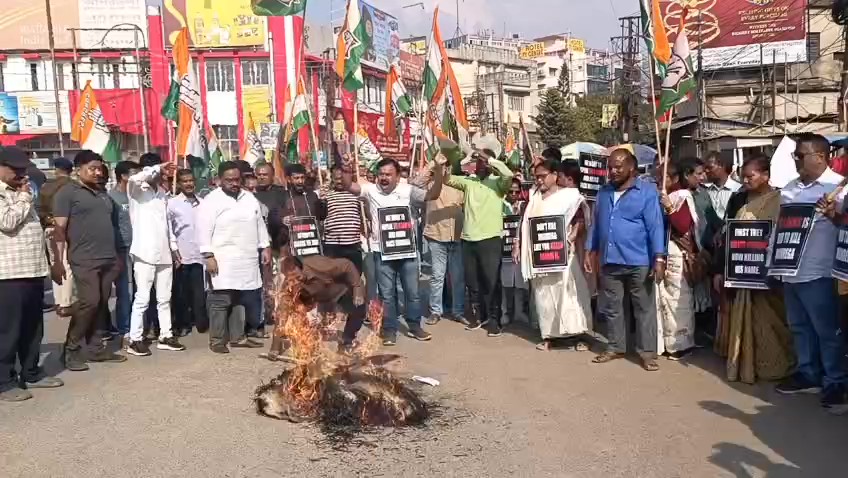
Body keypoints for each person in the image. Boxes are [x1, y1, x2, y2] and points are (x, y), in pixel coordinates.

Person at [712, 155, 795, 384]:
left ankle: (777, 364)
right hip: (741, 273)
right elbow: (726, 235)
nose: (746, 181)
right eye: (744, 176)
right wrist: (720, 270)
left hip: (770, 274)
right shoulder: (738, 199)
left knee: (773, 320)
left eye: (751, 176)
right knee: (746, 319)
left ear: (766, 175)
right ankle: (747, 364)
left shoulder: (781, 200)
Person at [781, 133, 848, 413]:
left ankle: (835, 381)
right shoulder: (788, 189)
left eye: (800, 155)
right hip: (789, 272)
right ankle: (808, 374)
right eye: (795, 155)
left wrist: (835, 215)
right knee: (799, 327)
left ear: (820, 157)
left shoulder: (839, 189)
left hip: (820, 272)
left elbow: (845, 230)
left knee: (827, 331)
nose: (796, 160)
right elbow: (780, 229)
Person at [586, 148, 666, 372]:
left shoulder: (647, 191)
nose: (612, 171)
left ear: (631, 167)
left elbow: (655, 227)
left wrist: (659, 258)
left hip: (639, 260)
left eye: (618, 166)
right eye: (610, 166)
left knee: (643, 308)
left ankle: (647, 353)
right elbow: (595, 225)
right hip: (610, 259)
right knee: (612, 307)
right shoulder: (603, 192)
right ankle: (615, 347)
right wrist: (589, 251)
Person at [348, 158, 444, 345]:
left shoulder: (408, 191)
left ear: (398, 176)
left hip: (407, 253)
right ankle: (389, 329)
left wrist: (439, 173)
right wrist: (344, 166)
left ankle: (415, 326)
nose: (383, 178)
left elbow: (431, 195)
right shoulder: (370, 189)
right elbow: (349, 187)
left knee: (413, 292)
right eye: (381, 174)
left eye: (388, 174)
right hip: (381, 252)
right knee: (387, 294)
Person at [52, 151, 128, 371]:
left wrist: (117, 258)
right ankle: (71, 349)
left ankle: (95, 349)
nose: (97, 172)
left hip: (109, 258)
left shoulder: (102, 193)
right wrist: (57, 261)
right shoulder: (67, 193)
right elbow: (59, 230)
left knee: (101, 304)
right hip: (84, 258)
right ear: (78, 169)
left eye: (99, 168)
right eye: (92, 168)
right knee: (90, 301)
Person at [0, 147, 63, 401]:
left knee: (33, 328)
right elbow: (7, 222)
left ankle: (31, 371)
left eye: (23, 169)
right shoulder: (11, 194)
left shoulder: (21, 191)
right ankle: (4, 381)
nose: (21, 174)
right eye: (15, 169)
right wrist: (25, 198)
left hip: (33, 269)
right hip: (8, 274)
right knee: (8, 330)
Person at [517, 159, 593, 351]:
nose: (539, 180)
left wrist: (571, 237)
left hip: (564, 255)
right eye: (536, 177)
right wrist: (518, 244)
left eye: (543, 176)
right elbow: (524, 223)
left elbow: (580, 220)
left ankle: (579, 336)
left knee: (570, 296)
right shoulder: (533, 197)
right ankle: (550, 336)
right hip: (540, 257)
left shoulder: (569, 196)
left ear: (554, 175)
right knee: (545, 297)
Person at [197, 161, 272, 354]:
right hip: (222, 258)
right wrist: (208, 255)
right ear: (220, 180)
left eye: (236, 179)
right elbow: (203, 230)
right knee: (220, 300)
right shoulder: (211, 201)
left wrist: (265, 246)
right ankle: (217, 340)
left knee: (240, 297)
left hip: (246, 257)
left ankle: (238, 337)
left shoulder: (249, 198)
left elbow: (259, 224)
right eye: (229, 180)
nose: (234, 183)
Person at [444, 138, 515, 336]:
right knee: (473, 283)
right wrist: (448, 158)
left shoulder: (498, 184)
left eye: (483, 162)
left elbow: (508, 174)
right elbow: (447, 179)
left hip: (491, 240)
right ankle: (480, 317)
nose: (480, 164)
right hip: (468, 240)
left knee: (491, 282)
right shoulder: (469, 182)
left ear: (491, 164)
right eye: (478, 162)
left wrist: (487, 157)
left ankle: (494, 320)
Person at [124, 153, 185, 356]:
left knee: (164, 298)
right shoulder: (136, 191)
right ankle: (135, 339)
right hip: (144, 253)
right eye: (159, 170)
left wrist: (174, 249)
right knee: (142, 298)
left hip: (164, 253)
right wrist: (157, 167)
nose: (162, 174)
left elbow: (167, 226)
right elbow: (135, 178)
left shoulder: (161, 194)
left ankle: (165, 336)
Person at [266, 255, 366, 360]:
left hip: (340, 290)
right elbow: (281, 312)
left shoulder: (319, 265)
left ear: (301, 268)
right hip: (317, 296)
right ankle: (308, 347)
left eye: (298, 278)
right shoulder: (290, 283)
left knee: (359, 308)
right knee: (290, 309)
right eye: (291, 279)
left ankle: (347, 342)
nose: (295, 282)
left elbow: (347, 265)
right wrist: (274, 347)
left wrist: (357, 287)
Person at [656, 160, 700, 360]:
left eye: (663, 176)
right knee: (663, 299)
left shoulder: (681, 196)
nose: (659, 180)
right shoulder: (661, 195)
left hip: (677, 253)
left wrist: (669, 208)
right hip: (662, 253)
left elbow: (682, 226)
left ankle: (682, 344)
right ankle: (666, 342)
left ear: (674, 178)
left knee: (678, 300)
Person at [422, 162, 466, 326]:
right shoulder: (431, 184)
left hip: (457, 236)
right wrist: (434, 165)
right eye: (443, 166)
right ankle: (435, 311)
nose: (446, 168)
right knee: (437, 276)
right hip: (436, 236)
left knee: (458, 278)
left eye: (448, 165)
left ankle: (458, 311)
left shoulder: (460, 185)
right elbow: (416, 181)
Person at [168, 169, 209, 337]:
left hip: (199, 255)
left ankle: (201, 322)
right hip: (181, 256)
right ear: (179, 184)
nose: (189, 184)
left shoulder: (203, 202)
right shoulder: (172, 204)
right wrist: (173, 249)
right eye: (185, 181)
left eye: (191, 180)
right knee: (181, 293)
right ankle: (183, 324)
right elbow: (169, 229)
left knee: (200, 292)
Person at [40, 157, 76, 318]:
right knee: (67, 264)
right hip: (66, 228)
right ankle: (66, 303)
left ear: (56, 169)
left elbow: (39, 208)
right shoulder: (72, 186)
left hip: (49, 227)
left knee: (55, 263)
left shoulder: (46, 186)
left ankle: (57, 300)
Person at [109, 160, 141, 342]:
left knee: (140, 289)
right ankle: (124, 326)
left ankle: (139, 324)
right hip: (122, 249)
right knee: (124, 290)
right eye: (134, 174)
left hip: (140, 247)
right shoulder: (112, 198)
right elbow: (111, 225)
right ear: (123, 176)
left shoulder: (137, 195)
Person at [322, 165, 364, 273]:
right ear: (332, 178)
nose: (340, 181)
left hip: (353, 244)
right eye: (337, 179)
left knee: (355, 276)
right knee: (334, 278)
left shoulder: (356, 193)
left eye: (342, 178)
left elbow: (363, 215)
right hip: (333, 245)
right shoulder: (326, 194)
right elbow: (320, 215)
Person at [501, 178, 529, 327]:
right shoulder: (500, 204)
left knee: (520, 283)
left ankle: (519, 312)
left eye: (516, 191)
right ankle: (505, 311)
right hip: (504, 249)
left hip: (521, 249)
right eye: (510, 191)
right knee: (505, 283)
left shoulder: (524, 206)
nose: (513, 194)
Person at [702, 152, 742, 222]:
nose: (706, 171)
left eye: (710, 167)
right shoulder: (706, 191)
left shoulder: (737, 189)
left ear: (721, 165)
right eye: (705, 168)